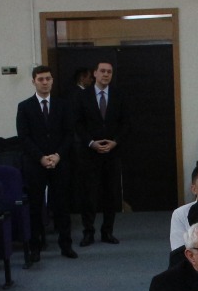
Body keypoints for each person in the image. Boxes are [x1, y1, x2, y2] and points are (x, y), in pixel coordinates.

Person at [16, 64, 76, 261]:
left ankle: (66, 245)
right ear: (33, 81)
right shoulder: (24, 107)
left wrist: (58, 155)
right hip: (35, 164)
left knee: (62, 205)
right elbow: (24, 138)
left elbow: (69, 134)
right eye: (40, 79)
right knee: (35, 206)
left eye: (48, 79)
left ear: (52, 81)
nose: (44, 82)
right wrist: (41, 157)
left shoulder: (63, 105)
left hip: (59, 162)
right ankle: (36, 247)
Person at [75, 60, 126, 245]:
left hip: (112, 153)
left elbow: (125, 123)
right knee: (89, 195)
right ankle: (88, 232)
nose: (106, 74)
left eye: (109, 72)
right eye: (102, 71)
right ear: (95, 73)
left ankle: (107, 232)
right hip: (89, 153)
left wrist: (115, 142)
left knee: (111, 195)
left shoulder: (119, 95)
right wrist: (91, 143)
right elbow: (77, 123)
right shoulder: (82, 96)